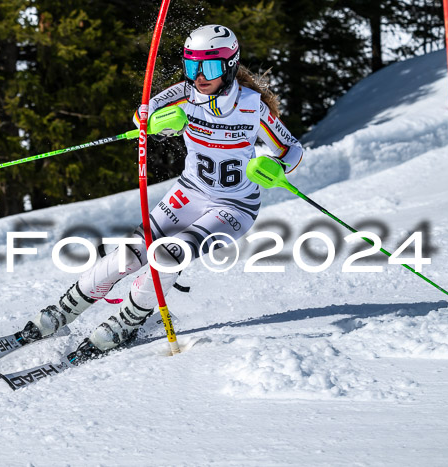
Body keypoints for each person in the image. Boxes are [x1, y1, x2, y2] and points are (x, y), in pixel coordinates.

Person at [16, 24, 303, 361]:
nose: (198, 76)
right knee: (130, 252)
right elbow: (144, 114)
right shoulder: (184, 92)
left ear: (229, 65)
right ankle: (63, 310)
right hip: (190, 192)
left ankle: (128, 321)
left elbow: (292, 149)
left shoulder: (252, 106)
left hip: (234, 206)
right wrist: (153, 123)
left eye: (208, 67)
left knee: (168, 254)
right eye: (191, 65)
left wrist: (276, 169)